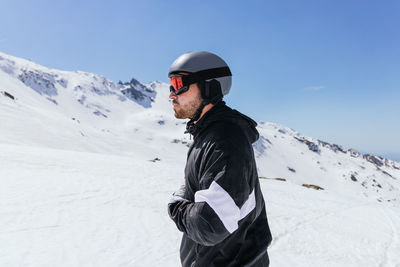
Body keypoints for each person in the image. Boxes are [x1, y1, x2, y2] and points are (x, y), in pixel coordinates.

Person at [167, 51, 272, 267]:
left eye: (179, 84)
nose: (171, 94)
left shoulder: (225, 141)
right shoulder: (205, 135)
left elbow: (209, 224)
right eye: (170, 85)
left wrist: (177, 206)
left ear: (209, 87)